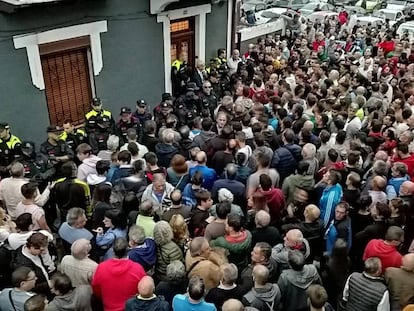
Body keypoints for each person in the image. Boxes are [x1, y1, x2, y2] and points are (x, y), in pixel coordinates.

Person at [91, 237, 146, 311]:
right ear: (127, 250)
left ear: (113, 251)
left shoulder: (101, 267)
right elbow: (144, 291)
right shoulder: (138, 268)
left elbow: (96, 290)